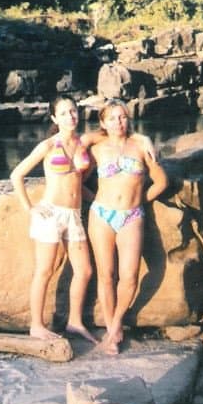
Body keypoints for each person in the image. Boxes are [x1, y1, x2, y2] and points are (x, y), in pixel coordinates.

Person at [82, 98, 168, 356]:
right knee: (106, 274)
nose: (118, 122)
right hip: (101, 215)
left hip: (132, 216)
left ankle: (116, 323)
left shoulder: (140, 146)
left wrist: (140, 199)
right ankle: (111, 329)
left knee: (129, 275)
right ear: (103, 123)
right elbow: (78, 181)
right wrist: (94, 199)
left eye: (122, 117)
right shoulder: (97, 148)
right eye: (112, 118)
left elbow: (161, 181)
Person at [10, 95, 98, 343]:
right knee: (44, 270)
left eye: (73, 111)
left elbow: (112, 134)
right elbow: (17, 175)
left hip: (73, 214)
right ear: (54, 118)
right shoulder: (48, 146)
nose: (71, 117)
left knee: (85, 270)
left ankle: (75, 322)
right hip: (50, 214)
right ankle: (36, 326)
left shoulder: (84, 143)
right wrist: (30, 208)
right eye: (64, 113)